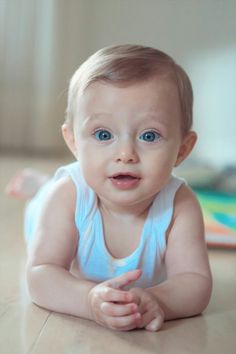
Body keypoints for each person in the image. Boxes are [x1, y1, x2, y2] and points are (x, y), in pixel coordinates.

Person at [6, 44, 212, 332]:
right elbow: (41, 274)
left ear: (182, 149)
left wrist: (159, 299)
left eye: (149, 135)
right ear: (74, 142)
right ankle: (39, 186)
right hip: (55, 207)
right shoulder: (66, 196)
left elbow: (195, 281)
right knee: (44, 198)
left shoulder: (180, 205)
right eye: (103, 134)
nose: (126, 153)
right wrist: (88, 300)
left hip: (84, 189)